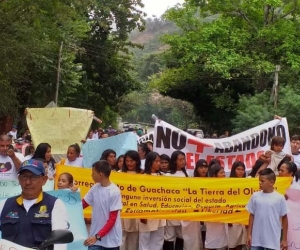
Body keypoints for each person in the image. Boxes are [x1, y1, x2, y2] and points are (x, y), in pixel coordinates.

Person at [0, 159, 69, 249]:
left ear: (44, 180)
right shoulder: (4, 205)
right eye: (24, 177)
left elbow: (60, 244)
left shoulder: (55, 205)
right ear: (19, 179)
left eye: (34, 177)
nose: (28, 182)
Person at [83, 160, 122, 250]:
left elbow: (112, 220)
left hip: (110, 241)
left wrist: (98, 236)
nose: (91, 176)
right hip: (94, 239)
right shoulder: (95, 188)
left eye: (93, 173)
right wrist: (73, 194)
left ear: (100, 175)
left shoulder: (114, 191)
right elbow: (83, 204)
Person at [246, 168, 288, 250]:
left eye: (262, 181)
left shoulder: (279, 198)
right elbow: (252, 215)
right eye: (259, 181)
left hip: (272, 240)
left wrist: (284, 239)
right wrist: (249, 234)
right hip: (256, 240)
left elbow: (284, 218)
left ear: (271, 182)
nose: (260, 183)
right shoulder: (255, 196)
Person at [139, 152, 165, 250]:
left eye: (160, 161)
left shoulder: (162, 176)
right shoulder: (142, 176)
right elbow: (138, 196)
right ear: (150, 162)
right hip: (146, 212)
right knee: (144, 239)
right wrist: (141, 214)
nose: (159, 163)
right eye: (156, 161)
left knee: (158, 239)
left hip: (160, 212)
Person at [121, 150, 142, 250]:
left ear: (137, 161)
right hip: (122, 209)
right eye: (127, 161)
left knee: (134, 240)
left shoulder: (142, 174)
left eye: (131, 161)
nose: (129, 163)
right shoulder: (119, 174)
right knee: (121, 239)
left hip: (136, 209)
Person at [205, 164, 228, 250]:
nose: (224, 175)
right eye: (221, 173)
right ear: (214, 175)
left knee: (222, 243)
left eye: (224, 172)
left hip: (223, 219)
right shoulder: (208, 187)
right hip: (212, 219)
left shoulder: (227, 186)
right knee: (210, 241)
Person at [228, 162, 247, 250]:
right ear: (233, 170)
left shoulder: (247, 183)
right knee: (232, 243)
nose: (240, 172)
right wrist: (228, 218)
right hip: (232, 217)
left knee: (240, 243)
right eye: (238, 169)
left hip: (243, 216)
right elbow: (226, 201)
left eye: (242, 170)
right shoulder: (229, 183)